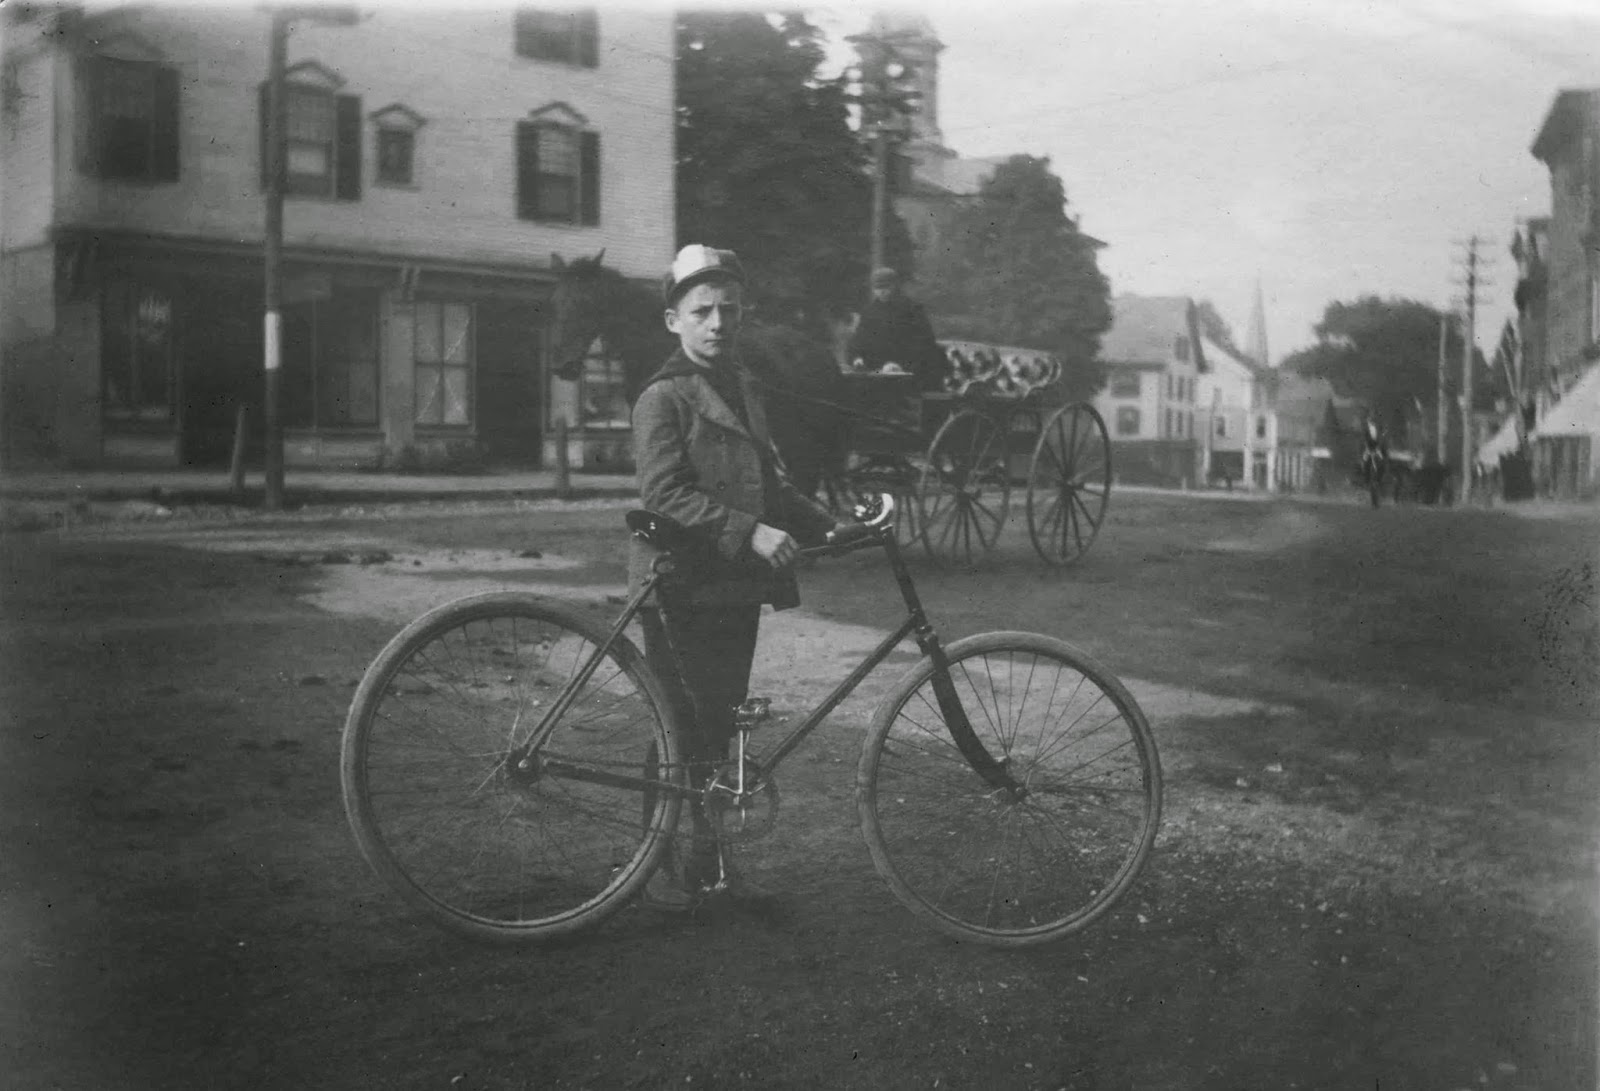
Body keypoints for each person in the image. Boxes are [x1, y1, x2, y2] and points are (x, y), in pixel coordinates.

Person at [630, 244, 842, 909]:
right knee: (682, 722)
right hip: (677, 580)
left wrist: (824, 524)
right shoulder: (661, 397)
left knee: (716, 720)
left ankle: (703, 850)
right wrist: (749, 530)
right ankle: (664, 854)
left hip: (731, 584)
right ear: (674, 321)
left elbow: (769, 479)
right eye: (702, 311)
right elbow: (663, 493)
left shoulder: (742, 385)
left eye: (728, 310)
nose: (718, 322)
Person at [848, 266, 948, 393]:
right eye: (877, 288)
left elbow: (925, 343)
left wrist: (902, 365)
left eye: (886, 287)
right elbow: (858, 340)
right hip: (876, 373)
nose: (881, 292)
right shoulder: (869, 312)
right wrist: (857, 358)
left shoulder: (912, 309)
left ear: (895, 286)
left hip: (910, 374)